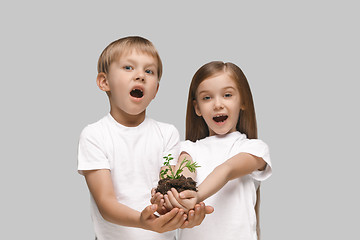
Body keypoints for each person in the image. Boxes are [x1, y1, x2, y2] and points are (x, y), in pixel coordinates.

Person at [77, 36, 212, 240]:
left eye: (149, 71)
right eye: (129, 68)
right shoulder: (94, 135)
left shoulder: (167, 133)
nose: (140, 76)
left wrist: (181, 210)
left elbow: (168, 180)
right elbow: (105, 203)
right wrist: (142, 221)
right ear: (104, 82)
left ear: (156, 89)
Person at [157, 61, 272, 240]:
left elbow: (227, 170)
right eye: (207, 98)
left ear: (242, 101)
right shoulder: (187, 148)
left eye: (227, 95)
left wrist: (196, 196)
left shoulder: (254, 148)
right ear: (197, 108)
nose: (217, 104)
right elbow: (185, 174)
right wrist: (172, 195)